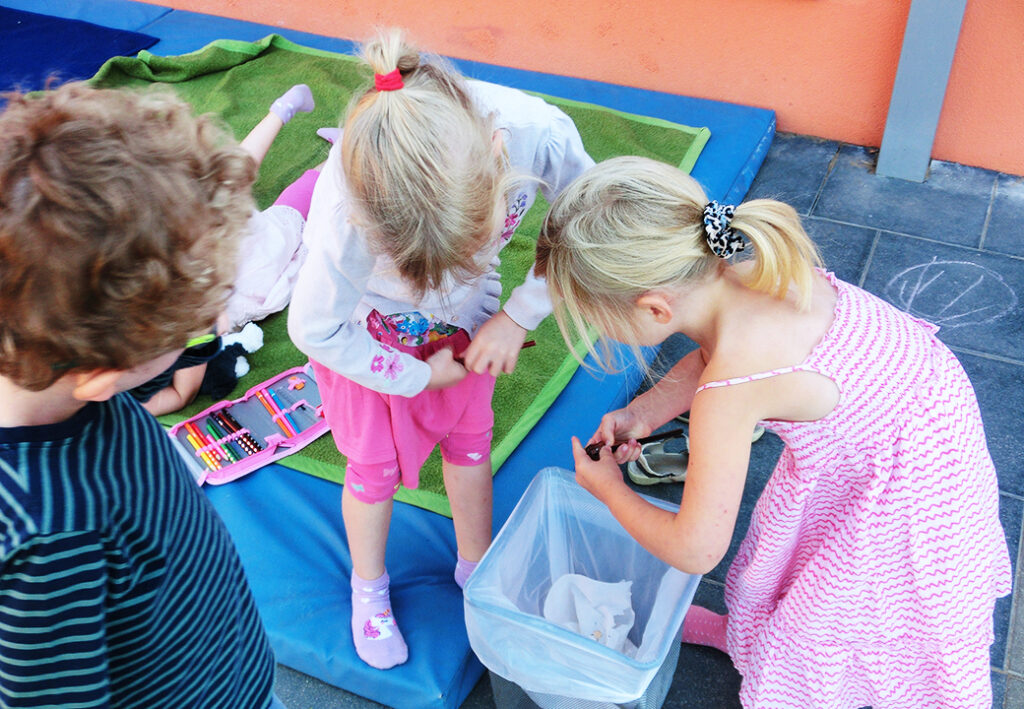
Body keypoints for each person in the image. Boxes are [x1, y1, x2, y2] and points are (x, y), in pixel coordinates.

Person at [535, 156, 1012, 708]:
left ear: (655, 308)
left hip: (901, 513)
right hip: (927, 440)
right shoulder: (744, 260)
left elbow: (695, 549)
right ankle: (749, 638)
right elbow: (714, 353)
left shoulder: (732, 389)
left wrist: (610, 492)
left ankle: (794, 679)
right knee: (801, 572)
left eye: (599, 319)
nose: (602, 330)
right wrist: (647, 412)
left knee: (832, 626)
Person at [287, 28, 594, 669]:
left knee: (471, 440)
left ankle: (475, 564)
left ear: (498, 154)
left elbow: (585, 222)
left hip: (470, 322)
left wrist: (516, 315)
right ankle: (366, 589)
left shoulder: (539, 133)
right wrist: (412, 377)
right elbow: (315, 329)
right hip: (371, 336)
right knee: (371, 467)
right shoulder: (344, 210)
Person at [0, 82, 285, 708]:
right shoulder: (49, 540)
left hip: (232, 669)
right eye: (191, 334)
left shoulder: (67, 376)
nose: (205, 335)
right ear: (103, 372)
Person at [133, 83, 319, 416]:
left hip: (228, 270)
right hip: (201, 254)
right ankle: (286, 112)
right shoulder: (152, 287)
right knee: (230, 186)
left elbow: (182, 394)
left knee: (278, 220)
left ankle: (339, 154)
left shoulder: (187, 320)